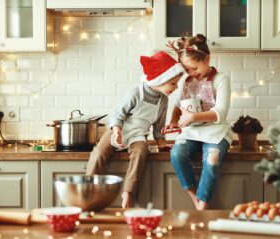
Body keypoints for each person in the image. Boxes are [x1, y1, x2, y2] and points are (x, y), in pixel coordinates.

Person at [86, 51, 185, 208]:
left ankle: (128, 193)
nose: (176, 87)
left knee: (141, 151)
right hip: (118, 130)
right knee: (98, 154)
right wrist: (117, 131)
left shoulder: (163, 100)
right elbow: (118, 114)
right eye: (173, 83)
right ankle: (89, 190)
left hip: (137, 135)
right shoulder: (135, 93)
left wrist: (160, 143)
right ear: (161, 80)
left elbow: (159, 125)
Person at [163, 34, 232, 210]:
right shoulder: (186, 81)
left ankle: (203, 205)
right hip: (192, 132)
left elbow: (220, 113)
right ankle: (196, 197)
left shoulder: (221, 79)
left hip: (216, 132)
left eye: (194, 68)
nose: (191, 73)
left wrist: (193, 117)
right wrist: (173, 121)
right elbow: (177, 104)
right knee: (177, 155)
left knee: (212, 158)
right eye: (187, 70)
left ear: (207, 59)